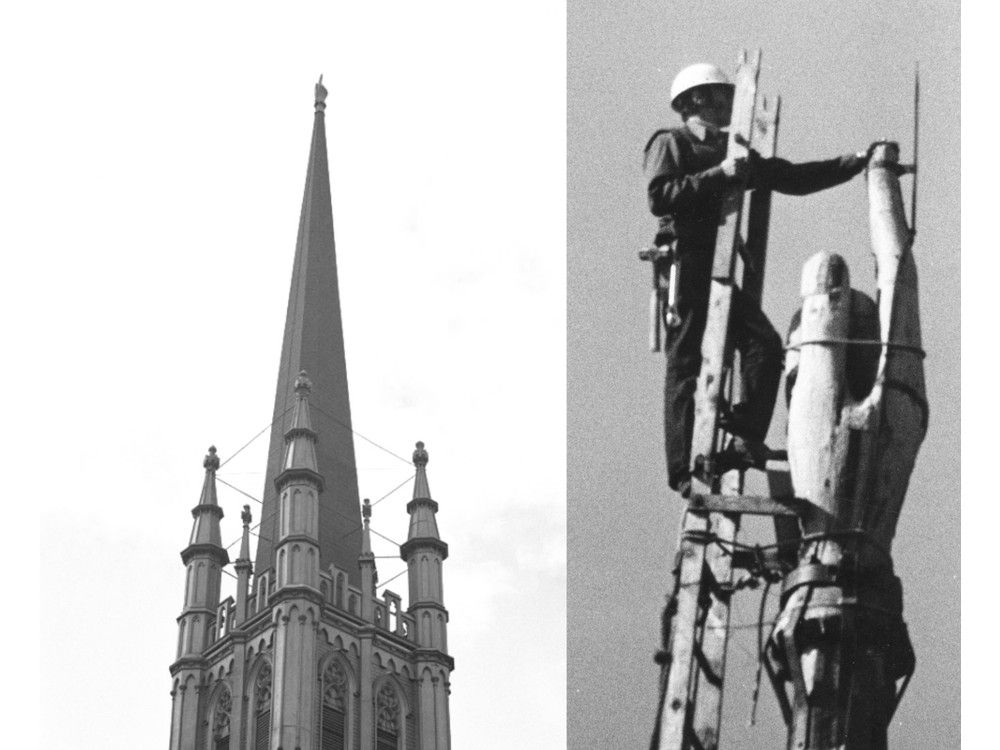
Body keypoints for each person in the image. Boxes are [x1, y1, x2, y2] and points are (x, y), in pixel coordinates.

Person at [644, 62, 871, 497]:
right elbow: (661, 196)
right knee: (686, 363)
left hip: (719, 269)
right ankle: (681, 471)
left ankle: (743, 436)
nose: (730, 105)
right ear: (696, 100)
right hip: (688, 260)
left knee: (763, 347)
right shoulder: (670, 142)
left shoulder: (733, 151)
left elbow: (792, 177)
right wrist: (720, 176)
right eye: (721, 96)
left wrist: (854, 163)